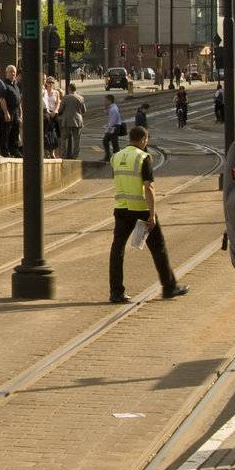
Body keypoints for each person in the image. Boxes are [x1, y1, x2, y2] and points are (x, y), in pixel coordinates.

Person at [106, 125, 187, 305]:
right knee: (158, 248)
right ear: (143, 139)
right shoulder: (143, 157)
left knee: (117, 249)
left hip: (121, 208)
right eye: (146, 140)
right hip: (141, 209)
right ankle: (169, 287)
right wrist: (152, 214)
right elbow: (148, 187)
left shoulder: (116, 157)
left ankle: (116, 292)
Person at [57, 83, 86, 160]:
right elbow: (84, 110)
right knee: (77, 140)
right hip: (77, 121)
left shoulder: (66, 98)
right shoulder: (81, 98)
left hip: (67, 121)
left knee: (64, 139)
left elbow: (60, 110)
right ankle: (75, 156)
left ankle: (64, 155)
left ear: (69, 89)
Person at [102, 95, 123, 161]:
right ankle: (111, 157)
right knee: (112, 142)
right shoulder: (112, 107)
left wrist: (108, 129)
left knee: (112, 142)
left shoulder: (113, 109)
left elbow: (112, 121)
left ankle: (113, 157)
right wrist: (106, 108)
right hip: (114, 127)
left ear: (109, 101)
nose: (104, 102)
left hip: (114, 128)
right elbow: (107, 113)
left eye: (105, 100)